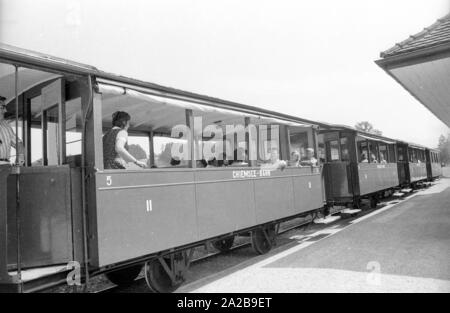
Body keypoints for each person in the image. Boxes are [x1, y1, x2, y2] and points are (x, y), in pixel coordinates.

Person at [0, 96, 24, 167]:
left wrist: (20, 157)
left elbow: (18, 143)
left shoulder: (6, 126)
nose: (5, 111)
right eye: (2, 107)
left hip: (5, 166)